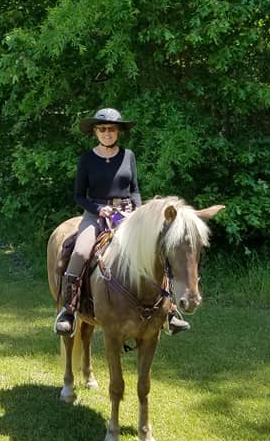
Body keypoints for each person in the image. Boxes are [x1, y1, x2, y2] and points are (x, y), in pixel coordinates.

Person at [53, 108, 190, 336]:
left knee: (157, 249)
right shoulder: (86, 159)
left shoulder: (128, 156)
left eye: (112, 129)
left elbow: (134, 189)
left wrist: (138, 212)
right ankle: (69, 310)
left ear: (118, 132)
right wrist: (99, 209)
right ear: (95, 132)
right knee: (80, 252)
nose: (107, 133)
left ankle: (169, 310)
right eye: (102, 129)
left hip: (127, 214)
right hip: (96, 214)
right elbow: (79, 196)